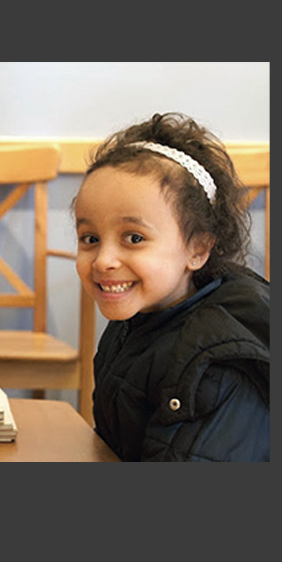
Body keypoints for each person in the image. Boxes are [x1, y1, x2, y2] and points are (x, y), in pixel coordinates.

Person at [74, 112, 269, 461]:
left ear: (197, 250)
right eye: (90, 238)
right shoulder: (140, 319)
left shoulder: (211, 367)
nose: (104, 260)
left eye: (134, 238)